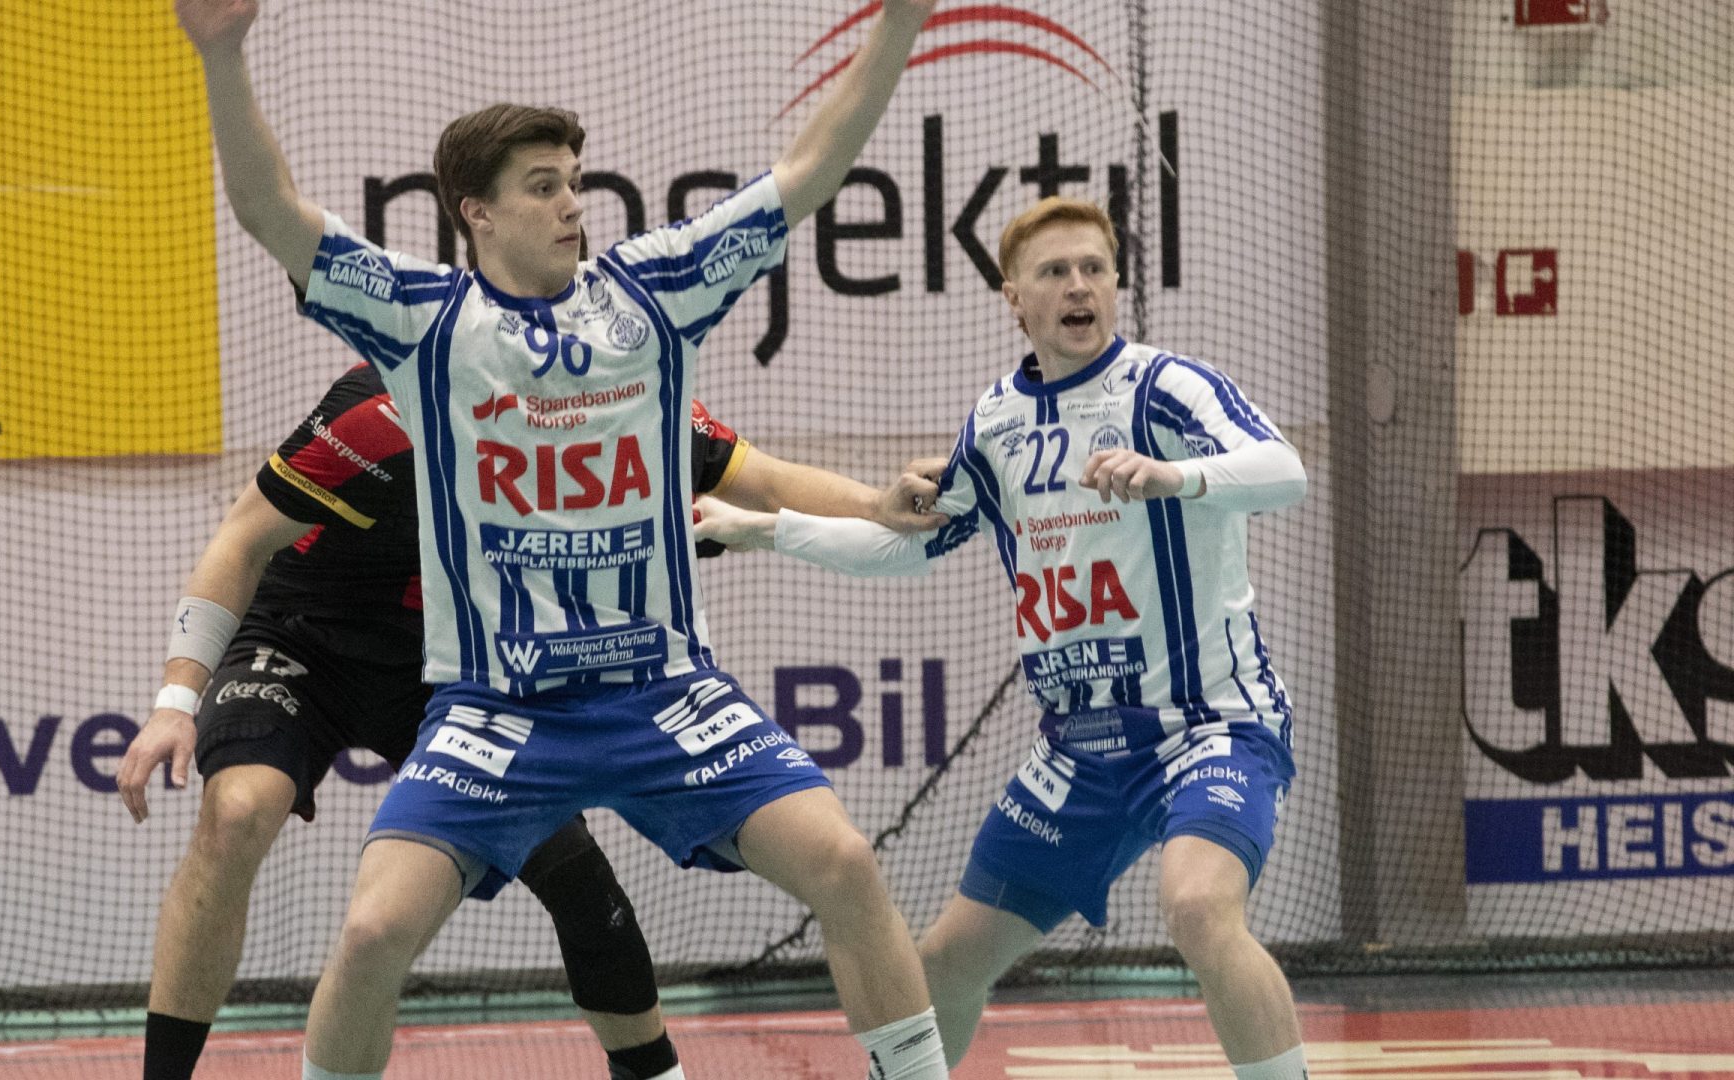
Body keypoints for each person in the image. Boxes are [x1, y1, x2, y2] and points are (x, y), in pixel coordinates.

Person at [172, 1, 951, 1076]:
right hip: (499, 708)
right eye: (543, 186)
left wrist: (899, 23)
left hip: (662, 691)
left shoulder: (656, 292)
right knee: (372, 932)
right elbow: (271, 211)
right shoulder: (425, 323)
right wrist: (222, 55)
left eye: (574, 182)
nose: (572, 204)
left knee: (846, 864)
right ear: (477, 213)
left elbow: (809, 174)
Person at [118, 363, 888, 1080]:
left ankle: (655, 1070)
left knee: (574, 872)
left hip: (451, 665)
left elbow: (762, 482)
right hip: (301, 637)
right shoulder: (384, 406)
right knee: (238, 811)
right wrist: (175, 702)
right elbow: (242, 535)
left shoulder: (612, 397)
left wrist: (886, 507)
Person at [693, 196, 1313, 1080]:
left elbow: (1284, 470)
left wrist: (1176, 476)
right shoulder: (996, 422)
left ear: (1116, 283)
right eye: (1055, 271)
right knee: (945, 963)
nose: (1079, 286)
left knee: (1198, 909)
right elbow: (905, 548)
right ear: (1014, 296)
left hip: (1208, 726)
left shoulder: (1166, 388)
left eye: (1094, 268)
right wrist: (764, 529)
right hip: (1081, 751)